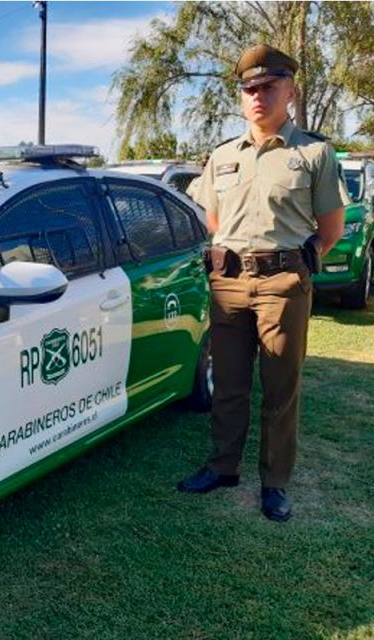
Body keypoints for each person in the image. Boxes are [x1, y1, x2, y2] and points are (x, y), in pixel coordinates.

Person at [178, 44, 348, 522]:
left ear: (290, 92)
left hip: (282, 283)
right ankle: (223, 466)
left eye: (268, 87)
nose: (257, 96)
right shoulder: (223, 155)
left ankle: (274, 482)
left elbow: (330, 229)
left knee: (280, 386)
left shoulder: (313, 153)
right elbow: (213, 217)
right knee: (228, 384)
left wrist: (295, 264)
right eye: (249, 89)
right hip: (228, 282)